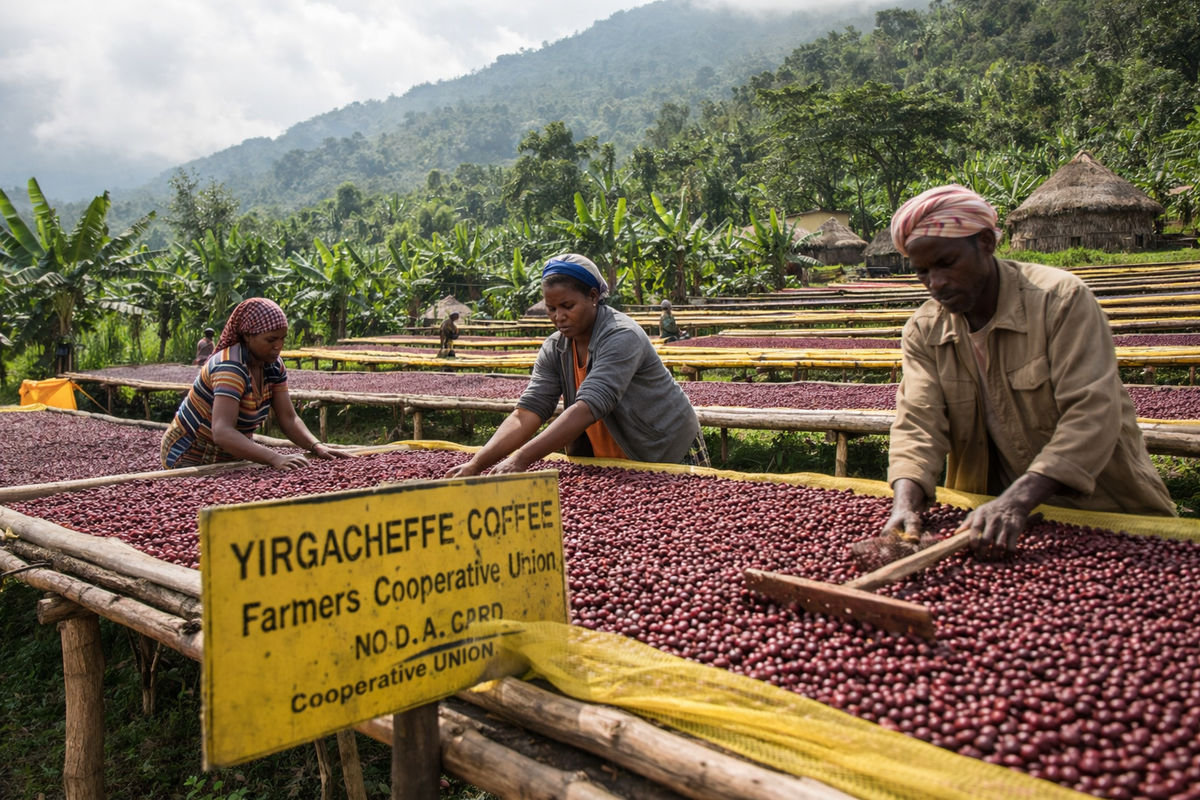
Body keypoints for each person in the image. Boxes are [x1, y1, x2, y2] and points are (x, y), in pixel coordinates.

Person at [883, 185, 1175, 559]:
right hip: (990, 516)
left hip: (1102, 507)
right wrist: (905, 501)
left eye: (946, 262)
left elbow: (1093, 411)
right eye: (922, 271)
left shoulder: (1059, 300)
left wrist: (1018, 500)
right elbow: (918, 421)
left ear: (986, 242)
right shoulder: (924, 329)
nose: (935, 283)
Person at [445, 254, 707, 478]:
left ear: (593, 296)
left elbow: (589, 406)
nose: (559, 317)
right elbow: (528, 412)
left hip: (662, 446)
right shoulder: (555, 347)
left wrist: (522, 458)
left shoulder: (621, 335)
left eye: (567, 306)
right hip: (607, 459)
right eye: (551, 308)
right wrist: (477, 462)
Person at [161, 298, 350, 471]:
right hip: (190, 456)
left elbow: (289, 419)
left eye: (282, 338)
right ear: (248, 336)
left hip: (233, 455)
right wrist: (274, 457)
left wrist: (316, 445)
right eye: (270, 340)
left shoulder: (274, 366)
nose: (278, 346)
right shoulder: (230, 367)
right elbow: (222, 431)